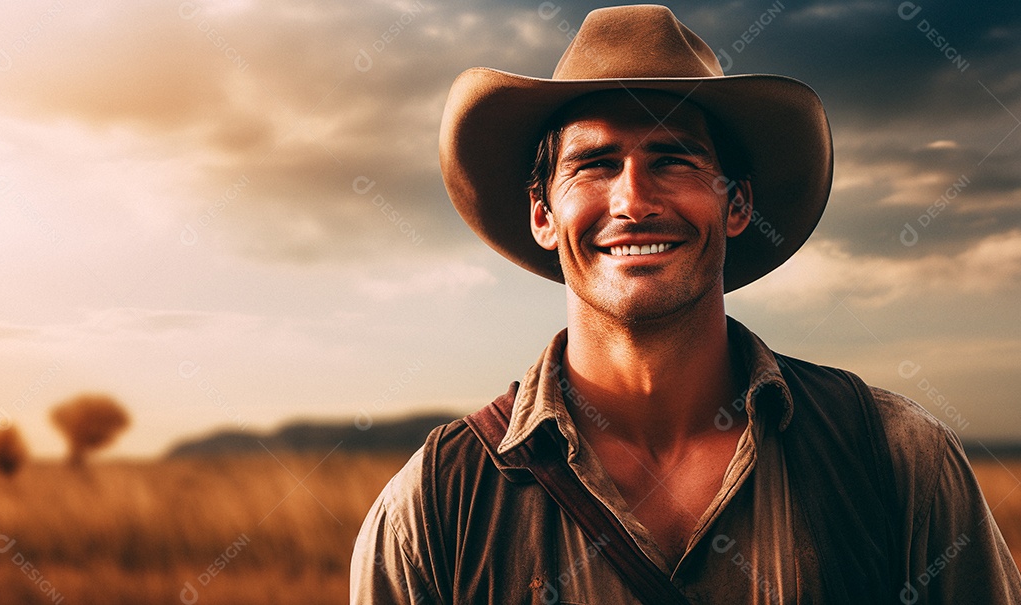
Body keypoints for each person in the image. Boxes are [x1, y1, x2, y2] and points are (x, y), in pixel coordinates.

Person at [350, 5, 1021, 604]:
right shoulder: (433, 513)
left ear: (736, 204)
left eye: (673, 158)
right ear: (542, 214)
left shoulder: (898, 464)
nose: (635, 201)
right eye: (595, 164)